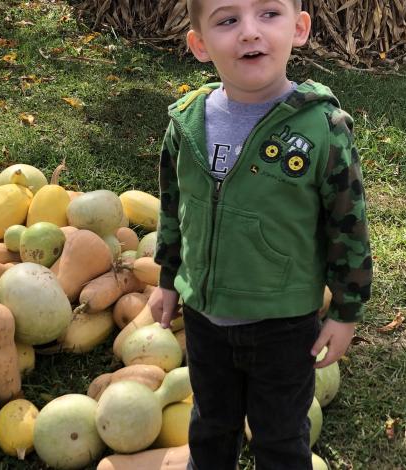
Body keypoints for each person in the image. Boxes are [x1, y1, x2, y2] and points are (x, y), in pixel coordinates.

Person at [148, 0, 372, 468]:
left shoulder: (322, 130)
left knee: (280, 436)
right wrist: (169, 276)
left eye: (268, 14)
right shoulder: (186, 124)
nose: (249, 32)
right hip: (206, 319)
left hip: (283, 325)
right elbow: (175, 207)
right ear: (200, 45)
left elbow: (348, 225)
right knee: (211, 424)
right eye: (227, 20)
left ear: (300, 28)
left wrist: (346, 311)